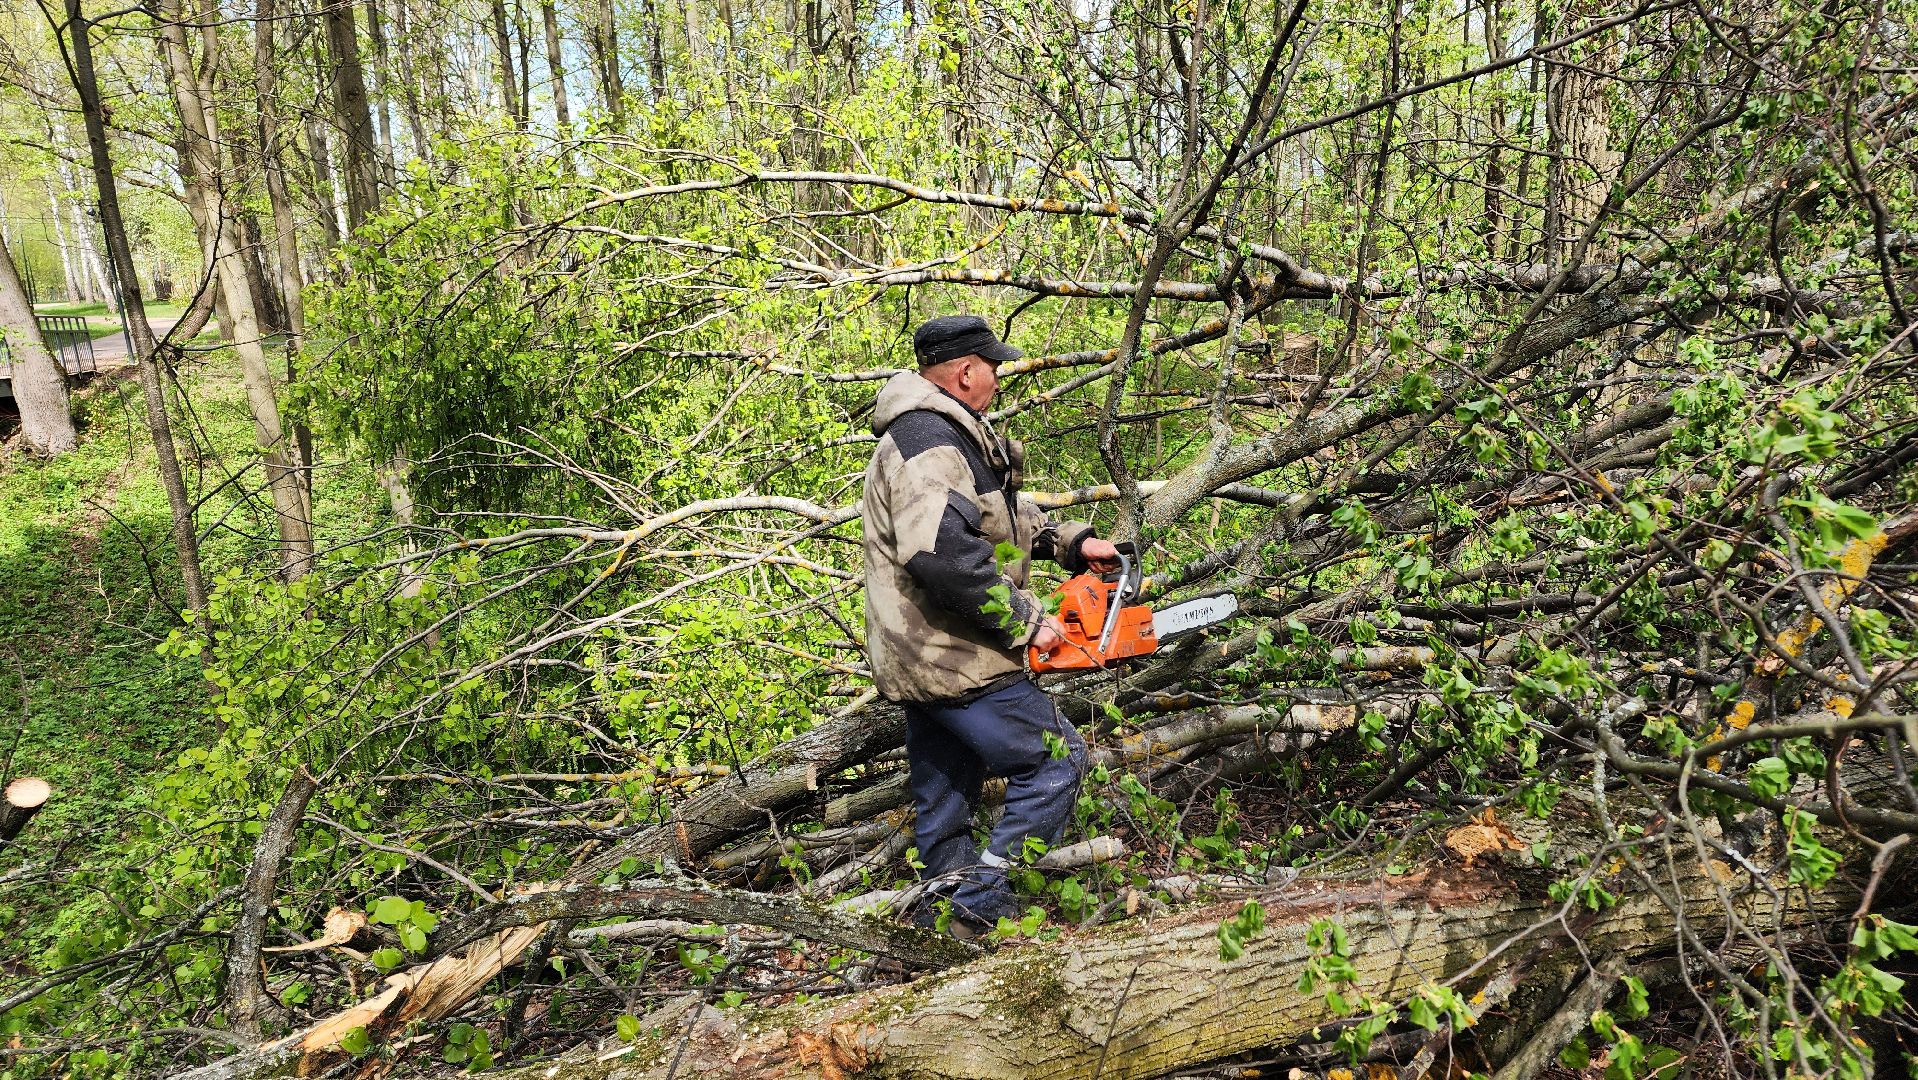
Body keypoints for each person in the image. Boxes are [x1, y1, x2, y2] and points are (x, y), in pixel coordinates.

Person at [861, 313, 1120, 934]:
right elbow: (942, 556)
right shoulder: (927, 440)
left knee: (946, 801)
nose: (1000, 379)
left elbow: (993, 518)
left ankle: (939, 922)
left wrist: (1068, 542)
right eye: (994, 367)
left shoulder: (951, 433)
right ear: (965, 370)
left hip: (921, 656)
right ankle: (981, 907)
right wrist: (1028, 621)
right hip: (953, 654)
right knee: (1057, 761)